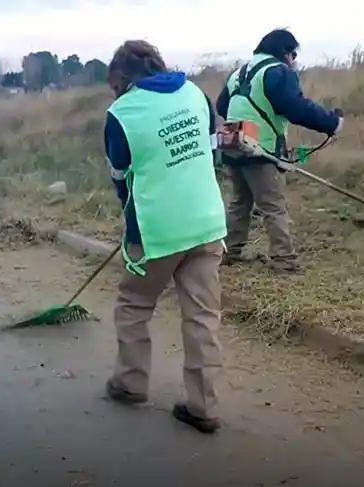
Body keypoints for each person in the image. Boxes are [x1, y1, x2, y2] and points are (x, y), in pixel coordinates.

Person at [103, 40, 227, 434]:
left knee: (135, 304)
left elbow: (121, 179)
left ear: (120, 77)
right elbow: (210, 155)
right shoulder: (196, 94)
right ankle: (203, 405)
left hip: (157, 231)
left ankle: (131, 382)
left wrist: (132, 222)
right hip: (206, 221)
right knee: (203, 316)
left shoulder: (120, 114)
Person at [216, 29, 344, 273]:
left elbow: (224, 106)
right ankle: (285, 261)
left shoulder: (239, 73)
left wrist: (245, 123)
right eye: (293, 54)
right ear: (285, 52)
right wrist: (332, 122)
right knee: (273, 205)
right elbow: (296, 107)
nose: (294, 60)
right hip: (259, 149)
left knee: (240, 201)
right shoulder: (277, 71)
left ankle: (228, 252)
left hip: (233, 145)